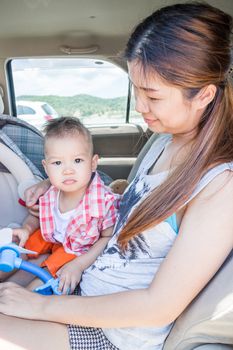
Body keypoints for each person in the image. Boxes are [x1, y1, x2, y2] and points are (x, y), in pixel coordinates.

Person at [0, 2, 233, 350]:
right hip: (85, 289)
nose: (140, 106)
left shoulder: (219, 185)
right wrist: (52, 190)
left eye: (152, 94)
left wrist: (41, 306)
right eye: (136, 89)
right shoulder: (164, 141)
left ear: (203, 95)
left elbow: (158, 307)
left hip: (114, 333)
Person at [8, 116, 119, 294]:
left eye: (77, 161)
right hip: (48, 237)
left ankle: (22, 297)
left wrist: (79, 265)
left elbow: (107, 238)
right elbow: (37, 215)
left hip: (76, 249)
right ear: (46, 168)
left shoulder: (104, 202)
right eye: (57, 163)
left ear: (93, 163)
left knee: (47, 272)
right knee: (16, 251)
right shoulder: (50, 192)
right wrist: (26, 229)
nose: (68, 170)